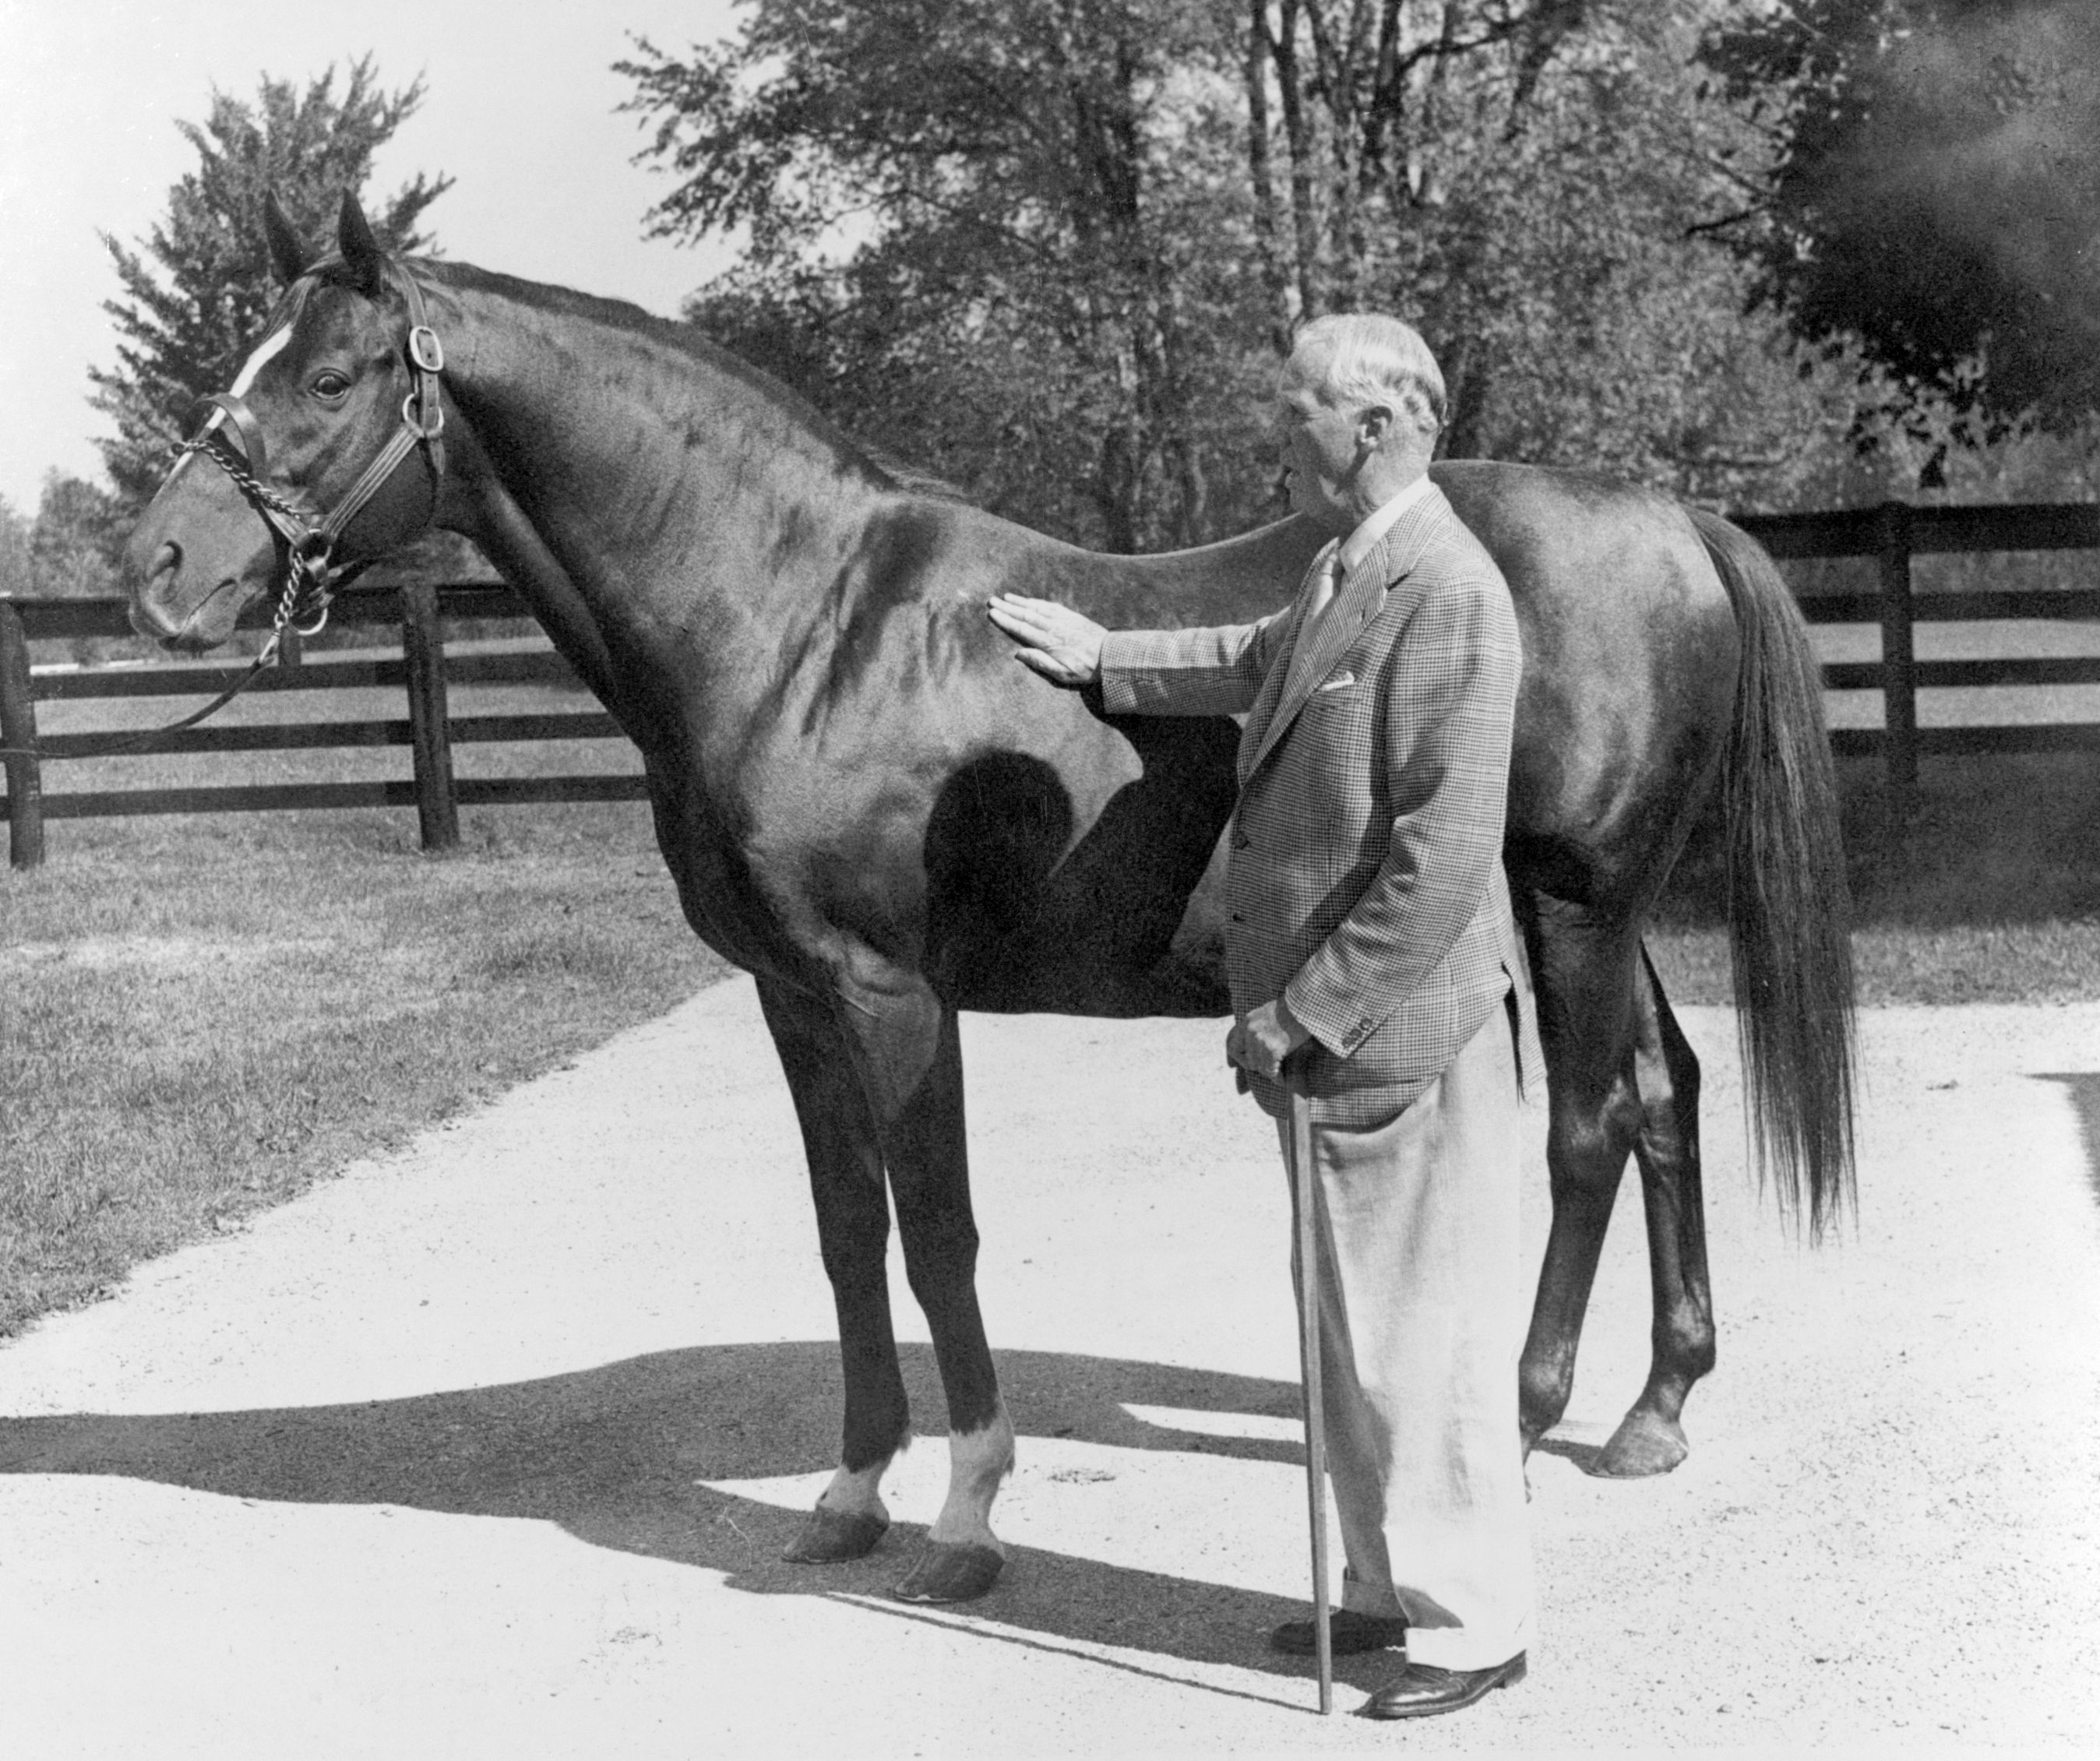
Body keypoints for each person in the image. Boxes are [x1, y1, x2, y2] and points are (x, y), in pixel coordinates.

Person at [986, 312, 1534, 1720]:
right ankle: (1376, 1591)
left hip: (1382, 1031)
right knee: (1348, 1331)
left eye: (1291, 412)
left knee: (1421, 1332)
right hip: (1327, 1041)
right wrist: (1108, 656)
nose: (1272, 434)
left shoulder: (1452, 586)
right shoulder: (1354, 565)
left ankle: (1470, 1625)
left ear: (1371, 426)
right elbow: (1257, 657)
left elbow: (1443, 853)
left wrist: (1309, 1011)